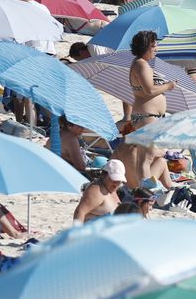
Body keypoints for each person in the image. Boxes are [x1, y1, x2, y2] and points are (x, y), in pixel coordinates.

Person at [127, 31, 174, 187]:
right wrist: (168, 86)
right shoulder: (141, 64)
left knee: (147, 158)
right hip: (147, 116)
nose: (156, 49)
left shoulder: (138, 63)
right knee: (146, 159)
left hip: (146, 116)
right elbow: (149, 90)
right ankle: (146, 192)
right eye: (153, 46)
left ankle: (148, 189)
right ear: (145, 47)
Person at [73, 159, 126, 223]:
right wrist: (77, 232)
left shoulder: (111, 188)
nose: (116, 184)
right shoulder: (96, 190)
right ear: (104, 175)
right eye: (113, 179)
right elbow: (79, 212)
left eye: (119, 181)